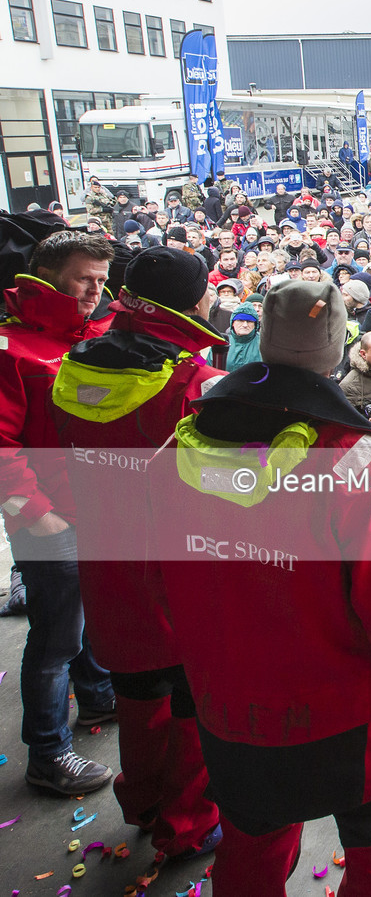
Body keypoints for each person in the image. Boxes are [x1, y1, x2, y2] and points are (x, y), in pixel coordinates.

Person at [153, 279, 371, 893]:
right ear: (339, 346)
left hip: (228, 702)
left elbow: (155, 570)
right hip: (348, 712)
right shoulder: (356, 456)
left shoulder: (184, 442)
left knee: (251, 843)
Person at [50, 246, 224, 855]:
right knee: (186, 702)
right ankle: (186, 826)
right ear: (193, 300)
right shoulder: (193, 383)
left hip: (103, 557)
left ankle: (144, 802)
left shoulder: (77, 363)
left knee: (136, 694)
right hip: (177, 571)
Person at [0, 230, 118, 795]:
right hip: (50, 520)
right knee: (54, 640)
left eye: (102, 280)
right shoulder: (11, 349)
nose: (95, 292)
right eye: (83, 280)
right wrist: (34, 512)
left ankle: (97, 696)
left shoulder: (100, 332)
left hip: (97, 507)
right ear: (49, 277)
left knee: (91, 613)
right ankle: (47, 752)